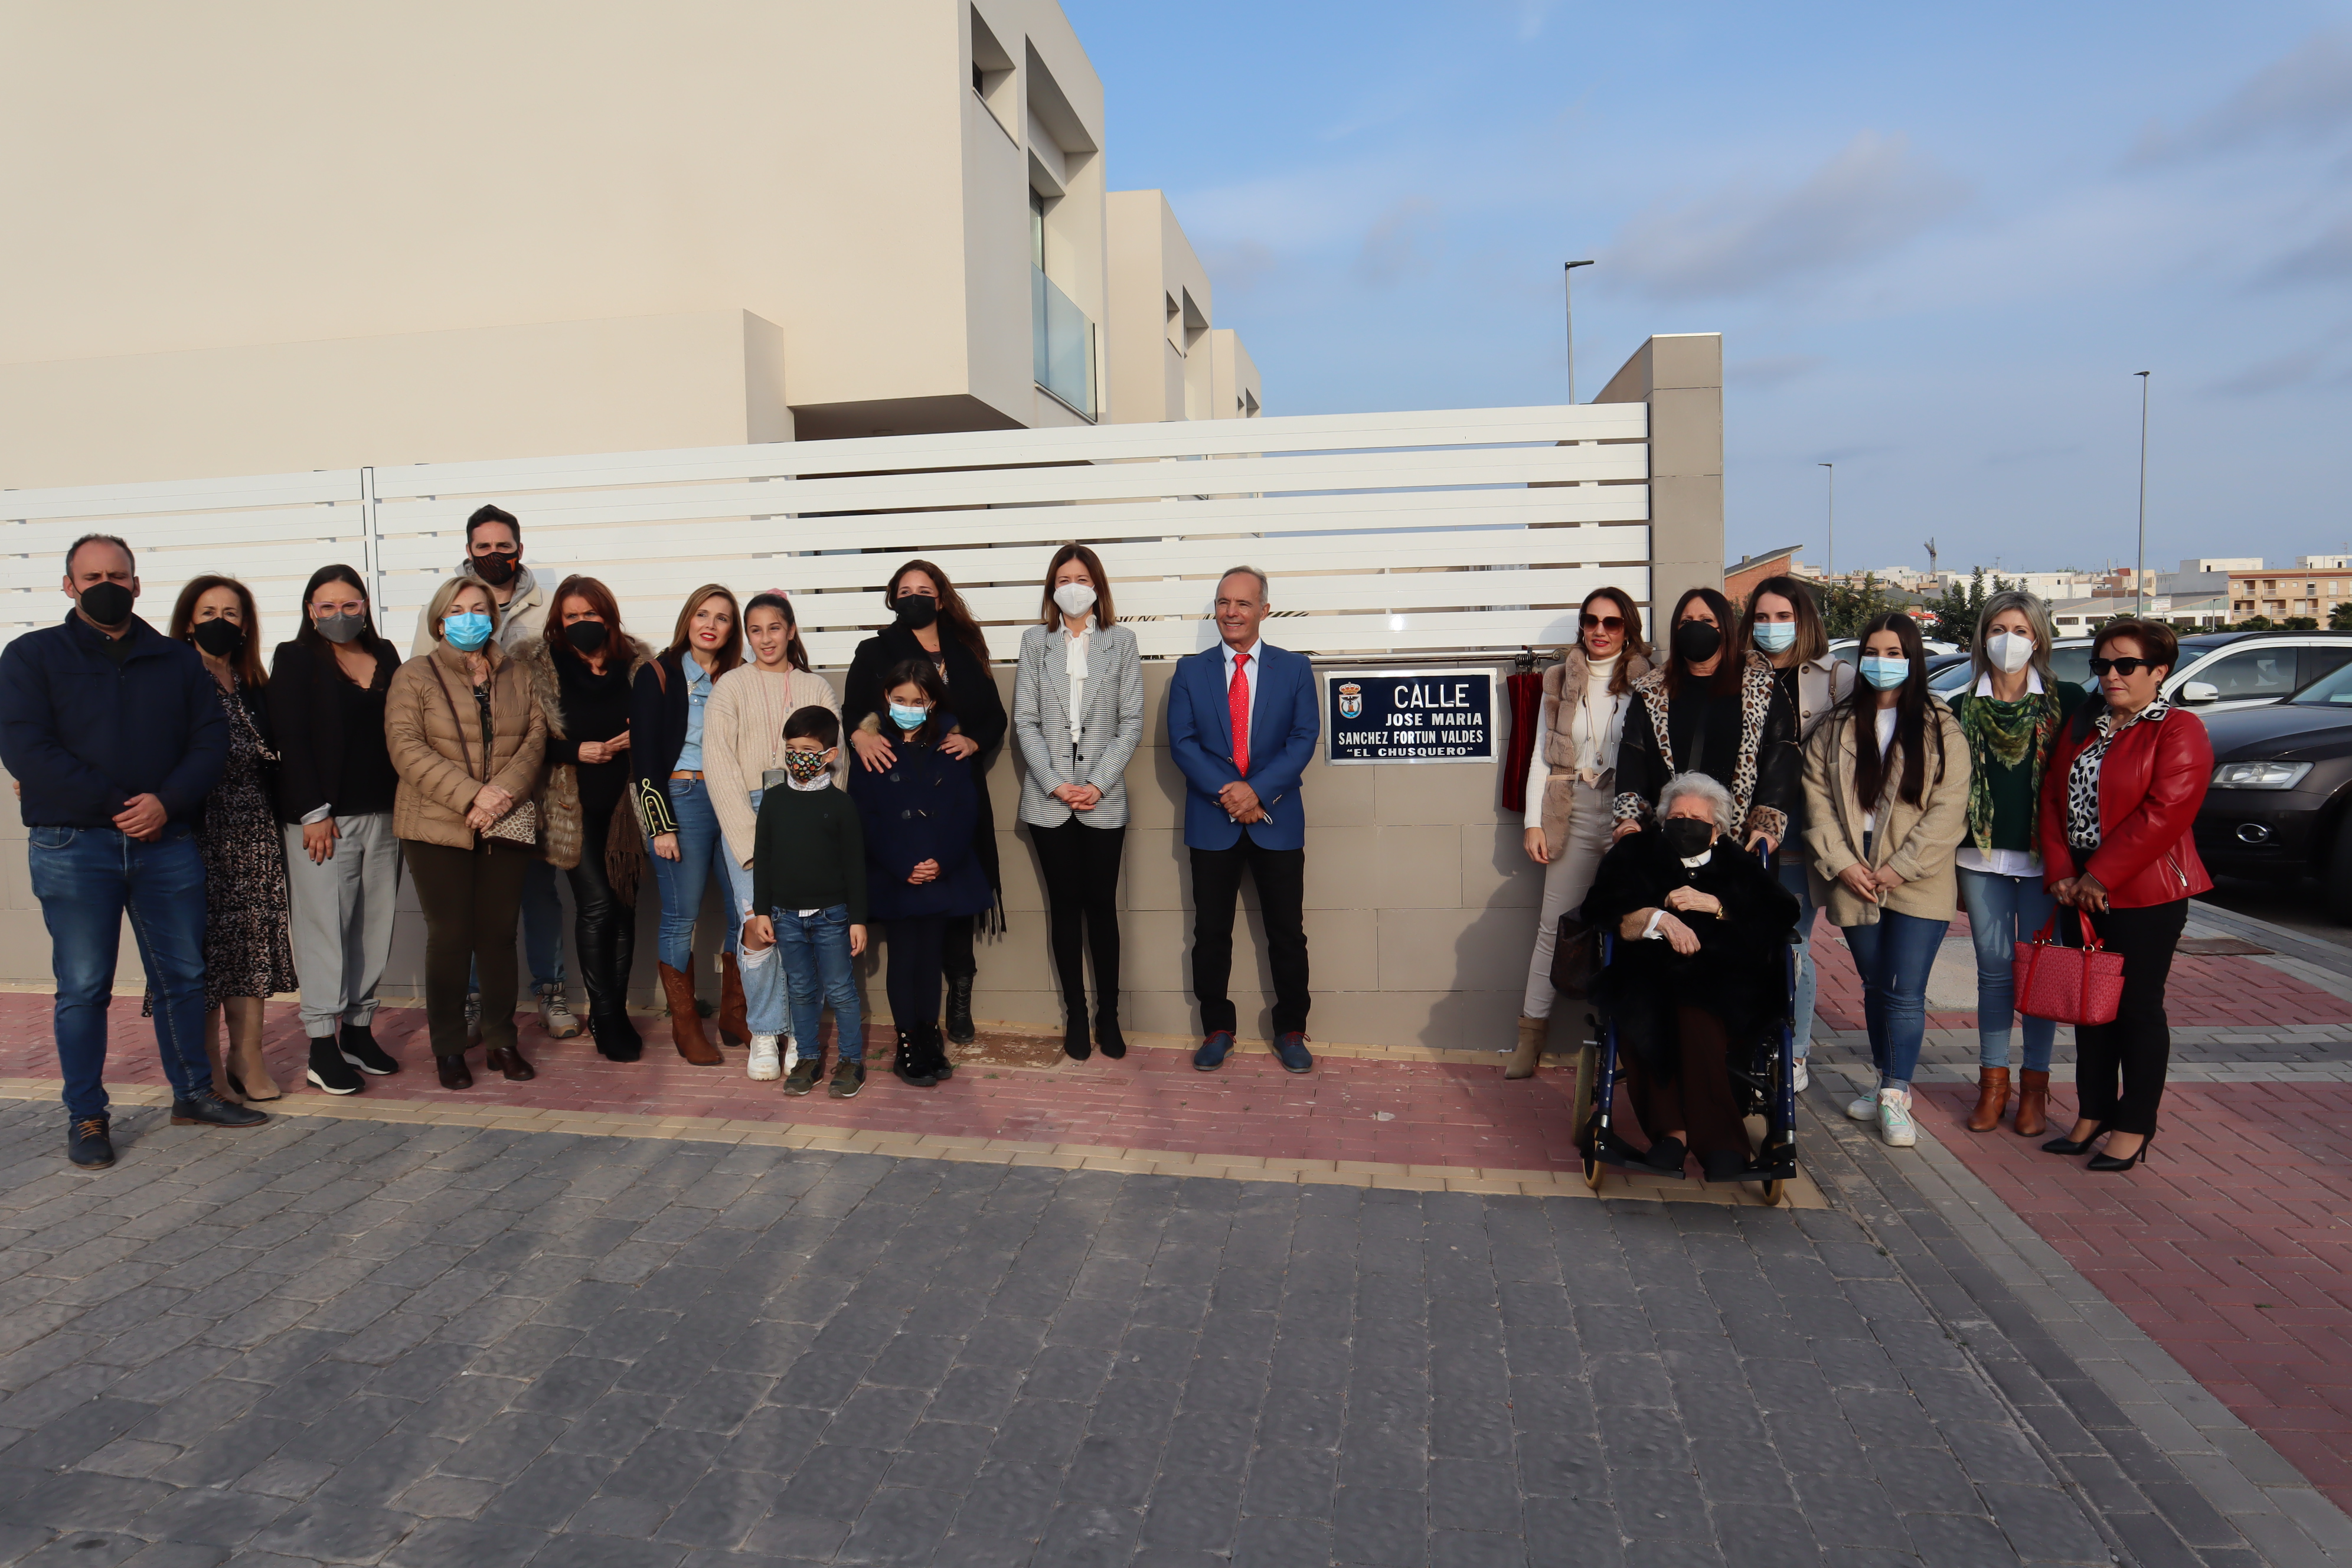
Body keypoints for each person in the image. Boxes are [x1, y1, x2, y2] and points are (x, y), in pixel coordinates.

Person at [0, 534, 265, 1167]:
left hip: (165, 841)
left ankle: (195, 1093)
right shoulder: (31, 656)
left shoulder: (177, 661)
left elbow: (209, 743)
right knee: (84, 986)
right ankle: (88, 1116)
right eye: (91, 576)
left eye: (117, 574)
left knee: (183, 978)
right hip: (74, 844)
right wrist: (121, 804)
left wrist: (164, 803)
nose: (106, 585)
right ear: (69, 586)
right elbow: (27, 750)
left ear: (138, 583)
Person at [2037, 618, 2213, 1172]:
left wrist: (2101, 876)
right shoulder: (2085, 724)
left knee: (2136, 1010)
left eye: (2125, 666)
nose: (2110, 676)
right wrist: (2064, 872)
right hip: (2079, 887)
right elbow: (2052, 798)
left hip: (2145, 890)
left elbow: (2165, 813)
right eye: (2101, 666)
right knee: (2091, 1009)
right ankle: (2092, 1114)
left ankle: (2134, 1124)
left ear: (2159, 671)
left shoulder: (2178, 729)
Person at [1802, 612, 1970, 1150]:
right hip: (1856, 875)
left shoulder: (1941, 724)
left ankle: (1897, 1094)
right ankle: (1883, 1080)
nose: (1882, 662)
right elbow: (1816, 800)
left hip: (1916, 877)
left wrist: (1901, 866)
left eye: (1895, 652)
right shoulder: (1835, 726)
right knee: (1876, 986)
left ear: (1913, 659)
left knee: (1904, 992)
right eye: (1872, 652)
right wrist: (1843, 863)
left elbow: (1949, 808)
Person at [410, 504, 577, 1043]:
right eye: (483, 548)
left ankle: (549, 991)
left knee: (536, 892)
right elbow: (423, 701)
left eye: (503, 546)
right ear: (469, 552)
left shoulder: (546, 607)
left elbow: (542, 713)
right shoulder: (442, 608)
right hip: (459, 793)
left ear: (519, 549)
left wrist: (506, 787)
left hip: (528, 782)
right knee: (469, 909)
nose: (494, 555)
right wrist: (472, 794)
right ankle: (473, 1002)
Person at [1582, 772, 1799, 1181]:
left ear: (1716, 831)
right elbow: (1599, 906)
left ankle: (1721, 1145)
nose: (1685, 824)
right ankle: (1672, 1136)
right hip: (1647, 972)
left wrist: (1719, 905)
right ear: (1663, 820)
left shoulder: (1737, 863)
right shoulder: (1635, 854)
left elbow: (1783, 913)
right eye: (1676, 816)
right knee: (1639, 1005)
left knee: (1694, 1011)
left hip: (1726, 979)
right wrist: (1655, 916)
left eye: (1696, 819)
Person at [387, 575, 547, 1089]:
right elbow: (406, 747)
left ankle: (503, 1041)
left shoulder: (518, 673)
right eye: (457, 610)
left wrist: (499, 794)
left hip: (507, 818)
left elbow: (535, 739)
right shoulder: (414, 675)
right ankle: (449, 1048)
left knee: (499, 936)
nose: (469, 617)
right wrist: (470, 795)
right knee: (451, 936)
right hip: (435, 823)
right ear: (439, 621)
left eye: (479, 608)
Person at [845, 560, 1007, 1046]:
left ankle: (958, 997)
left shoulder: (965, 647)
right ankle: (913, 1031)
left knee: (953, 889)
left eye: (926, 589)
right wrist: (860, 737)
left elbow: (993, 716)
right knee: (912, 911)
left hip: (953, 786)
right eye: (906, 589)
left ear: (941, 597)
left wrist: (974, 742)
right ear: (893, 597)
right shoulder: (875, 649)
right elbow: (855, 710)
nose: (916, 597)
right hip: (895, 786)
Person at [152, 576, 301, 1100]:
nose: (220, 621)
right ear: (188, 621)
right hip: (195, 833)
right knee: (204, 955)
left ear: (245, 625)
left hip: (254, 835)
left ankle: (248, 1055)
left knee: (252, 948)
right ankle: (209, 1064)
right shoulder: (169, 676)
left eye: (232, 613)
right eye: (209, 610)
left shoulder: (254, 683)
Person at [1168, 566, 1321, 1073]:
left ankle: (1291, 1029)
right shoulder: (1190, 672)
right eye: (1223, 603)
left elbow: (1302, 740)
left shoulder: (1295, 668)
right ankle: (1218, 1028)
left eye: (1243, 604)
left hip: (1276, 820)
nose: (1231, 612)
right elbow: (1184, 744)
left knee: (1287, 933)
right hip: (1213, 822)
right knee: (1211, 933)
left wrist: (1257, 792)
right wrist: (1232, 796)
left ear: (1263, 610)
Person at [1951, 591, 2086, 1136]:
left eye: (2022, 630)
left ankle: (2035, 1087)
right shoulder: (1960, 707)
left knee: (2039, 975)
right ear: (1984, 636)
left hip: (2045, 863)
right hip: (1978, 859)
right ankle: (1992, 1085)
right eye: (2000, 628)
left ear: (2039, 638)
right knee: (1992, 973)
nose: (2010, 640)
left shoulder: (2069, 700)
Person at [271, 565, 406, 1094]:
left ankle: (358, 1030)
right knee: (325, 928)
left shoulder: (388, 655)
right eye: (326, 606)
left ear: (366, 607)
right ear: (310, 611)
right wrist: (312, 810)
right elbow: (291, 738)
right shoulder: (296, 657)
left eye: (349, 605)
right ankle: (321, 1046)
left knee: (373, 926)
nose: (339, 615)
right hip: (323, 821)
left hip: (386, 815)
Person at [1514, 587, 1652, 1080]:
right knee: (1556, 928)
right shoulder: (1558, 678)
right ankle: (1530, 1035)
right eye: (1591, 621)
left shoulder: (1651, 682)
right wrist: (1534, 821)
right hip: (1570, 810)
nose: (1599, 630)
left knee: (1635, 928)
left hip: (1628, 815)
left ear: (1627, 628)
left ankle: (1633, 1043)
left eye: (1611, 623)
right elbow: (1539, 756)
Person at [1013, 544, 1145, 1062]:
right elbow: (1026, 720)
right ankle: (1074, 1013)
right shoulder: (1033, 642)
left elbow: (1131, 720)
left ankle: (1108, 1015)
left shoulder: (1122, 641)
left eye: (1082, 577)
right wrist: (1053, 782)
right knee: (1064, 909)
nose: (1073, 585)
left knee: (1102, 908)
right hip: (1050, 802)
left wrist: (1098, 782)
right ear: (1052, 588)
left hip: (1102, 800)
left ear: (1097, 587)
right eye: (1064, 578)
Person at [707, 591, 841, 1079]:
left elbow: (835, 759)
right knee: (757, 924)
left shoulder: (817, 687)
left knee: (803, 924)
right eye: (756, 630)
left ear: (790, 631)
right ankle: (765, 1031)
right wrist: (746, 839)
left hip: (806, 813)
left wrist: (824, 826)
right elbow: (718, 763)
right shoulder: (730, 687)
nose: (766, 638)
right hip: (750, 811)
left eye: (775, 628)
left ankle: (799, 1033)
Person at [519, 576, 650, 1062]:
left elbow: (664, 727)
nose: (581, 624)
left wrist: (646, 735)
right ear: (558, 620)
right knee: (596, 905)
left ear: (608, 616)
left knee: (625, 906)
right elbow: (527, 741)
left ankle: (611, 1008)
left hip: (626, 808)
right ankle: (605, 1014)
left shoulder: (636, 664)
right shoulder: (538, 667)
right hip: (569, 807)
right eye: (571, 616)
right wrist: (578, 750)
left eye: (590, 615)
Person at [848, 661, 992, 1086]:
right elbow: (865, 815)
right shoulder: (873, 747)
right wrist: (901, 864)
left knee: (931, 958)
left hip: (939, 872)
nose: (909, 708)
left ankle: (930, 1035)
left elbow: (965, 811)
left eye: (918, 701)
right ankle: (907, 1041)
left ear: (931, 702)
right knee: (904, 957)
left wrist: (940, 862)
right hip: (895, 874)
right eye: (900, 700)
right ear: (886, 700)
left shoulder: (950, 746)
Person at [1738, 575, 1854, 1093]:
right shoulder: (1738, 673)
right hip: (1745, 832)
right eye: (1761, 618)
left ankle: (1796, 1051)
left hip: (1804, 832)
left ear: (1804, 620)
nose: (1772, 627)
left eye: (1783, 617)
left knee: (1794, 945)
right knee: (1745, 943)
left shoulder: (1838, 679)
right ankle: (1752, 1039)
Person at [632, 584, 748, 1063]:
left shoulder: (740, 677)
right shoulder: (657, 674)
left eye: (722, 618)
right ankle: (685, 1026)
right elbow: (642, 759)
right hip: (681, 798)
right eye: (703, 614)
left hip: (734, 799)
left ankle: (735, 1013)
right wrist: (660, 825)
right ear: (687, 618)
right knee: (682, 917)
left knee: (746, 909)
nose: (711, 625)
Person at [1612, 586, 1799, 855]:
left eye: (1707, 621)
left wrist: (1766, 825)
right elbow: (1633, 757)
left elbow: (1781, 755)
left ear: (1725, 627)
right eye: (1686, 622)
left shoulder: (1762, 686)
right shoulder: (1651, 691)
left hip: (1739, 845)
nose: (1695, 628)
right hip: (1666, 841)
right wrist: (1629, 818)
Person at [745, 707, 869, 1099]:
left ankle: (851, 1061)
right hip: (784, 916)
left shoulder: (842, 805)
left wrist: (858, 919)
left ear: (828, 755)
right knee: (799, 988)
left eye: (808, 749)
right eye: (791, 748)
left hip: (833, 917)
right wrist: (762, 910)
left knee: (841, 990)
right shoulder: (774, 801)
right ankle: (808, 1060)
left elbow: (855, 868)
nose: (798, 756)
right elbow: (762, 858)